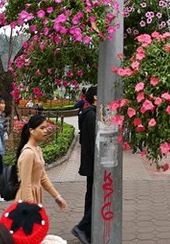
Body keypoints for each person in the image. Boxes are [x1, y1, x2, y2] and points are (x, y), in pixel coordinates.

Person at [15, 114, 68, 212]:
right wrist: (31, 208)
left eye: (46, 127)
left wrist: (57, 196)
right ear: (31, 130)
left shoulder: (37, 149)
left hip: (35, 196)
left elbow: (42, 177)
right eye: (42, 128)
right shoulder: (28, 153)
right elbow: (26, 184)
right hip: (27, 200)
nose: (45, 131)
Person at [71, 85, 97, 244]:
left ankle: (87, 230)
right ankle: (82, 227)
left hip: (91, 164)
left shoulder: (90, 114)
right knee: (96, 198)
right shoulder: (90, 116)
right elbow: (93, 142)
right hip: (93, 164)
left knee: (91, 197)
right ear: (95, 97)